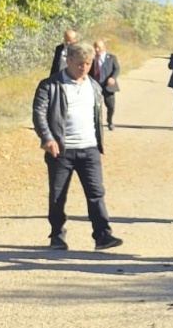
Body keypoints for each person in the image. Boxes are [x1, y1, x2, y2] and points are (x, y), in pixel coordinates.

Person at [32, 44, 123, 251]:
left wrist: (99, 145)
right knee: (58, 195)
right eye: (80, 63)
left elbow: (96, 118)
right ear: (69, 61)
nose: (84, 68)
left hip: (89, 148)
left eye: (88, 64)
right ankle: (57, 235)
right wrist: (47, 139)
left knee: (96, 193)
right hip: (61, 150)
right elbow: (39, 114)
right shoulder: (50, 85)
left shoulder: (94, 85)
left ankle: (102, 236)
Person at [90, 38, 120, 131]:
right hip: (95, 85)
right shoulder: (91, 58)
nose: (96, 49)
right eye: (95, 47)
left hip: (108, 86)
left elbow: (117, 69)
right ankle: (96, 123)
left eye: (98, 47)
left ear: (104, 48)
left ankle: (109, 121)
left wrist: (113, 78)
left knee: (111, 106)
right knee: (95, 106)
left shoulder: (111, 58)